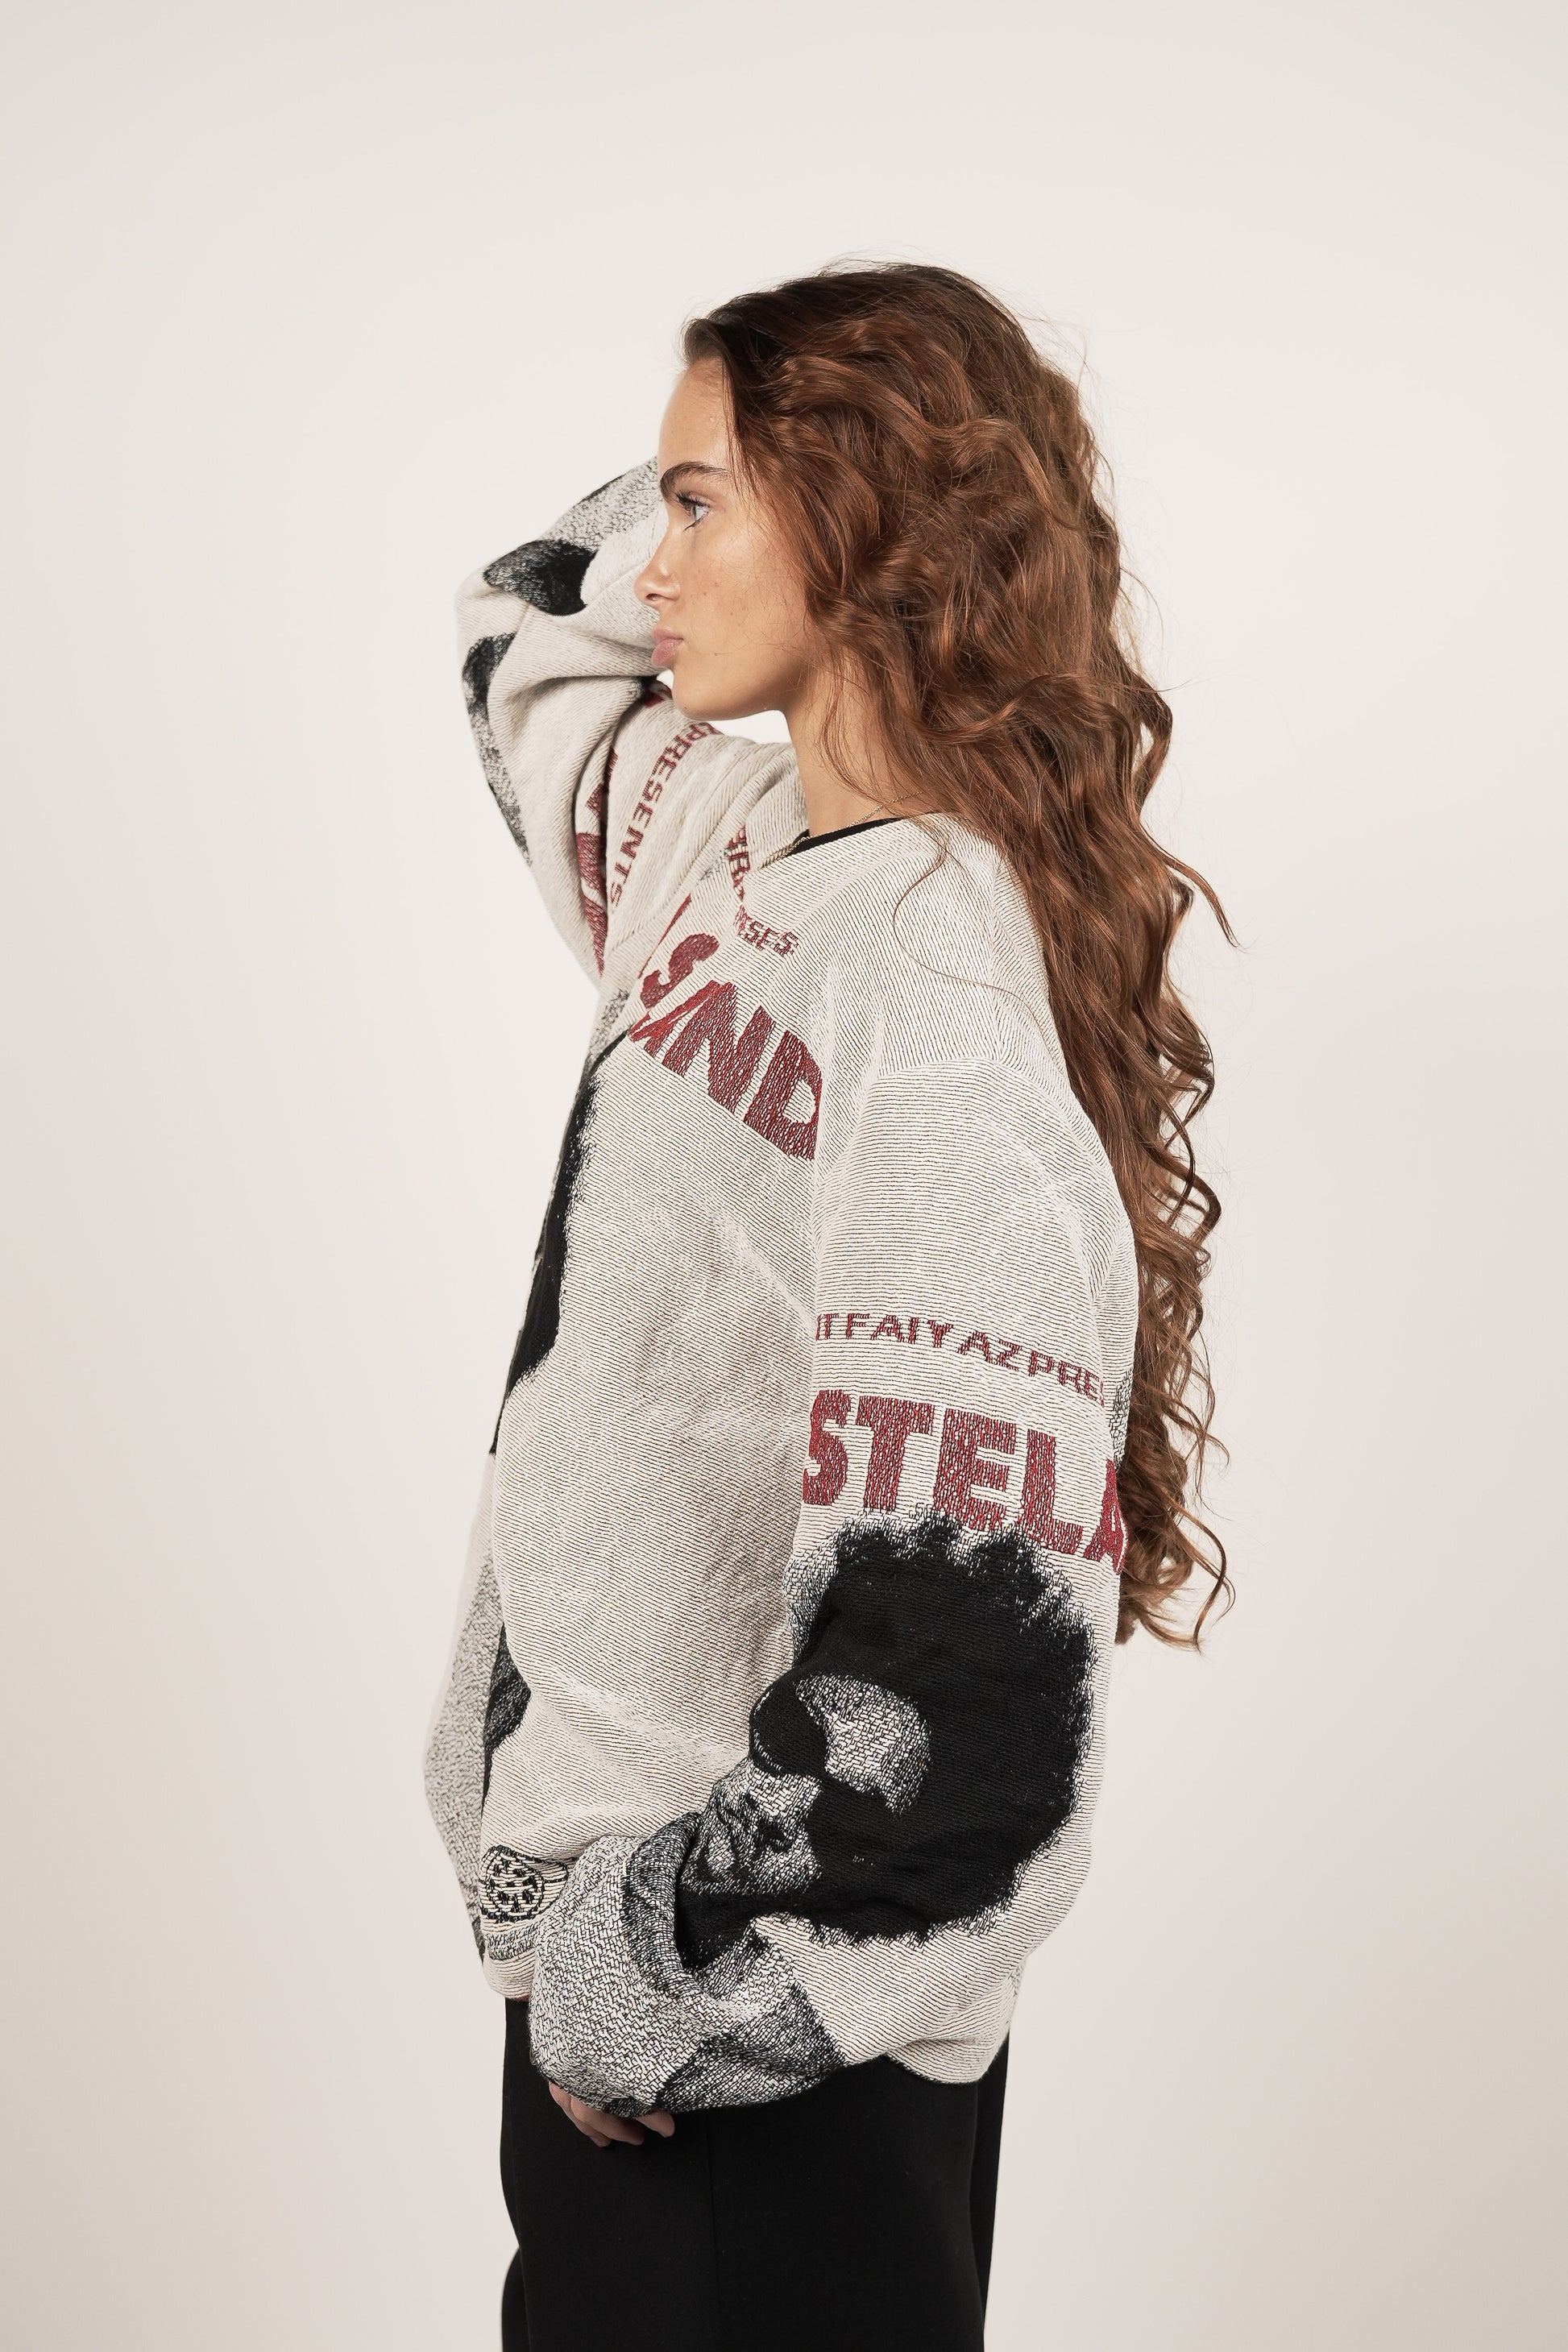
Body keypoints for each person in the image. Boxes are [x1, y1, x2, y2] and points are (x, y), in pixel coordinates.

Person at [424, 260, 1228, 2352]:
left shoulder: (939, 994)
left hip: (747, 2063)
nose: (651, 563)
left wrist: (664, 1974)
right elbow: (516, 629)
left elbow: (972, 1673)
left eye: (701, 503)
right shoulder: (721, 838)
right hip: (618, 2016)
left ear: (861, 515)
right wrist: (740, 465)